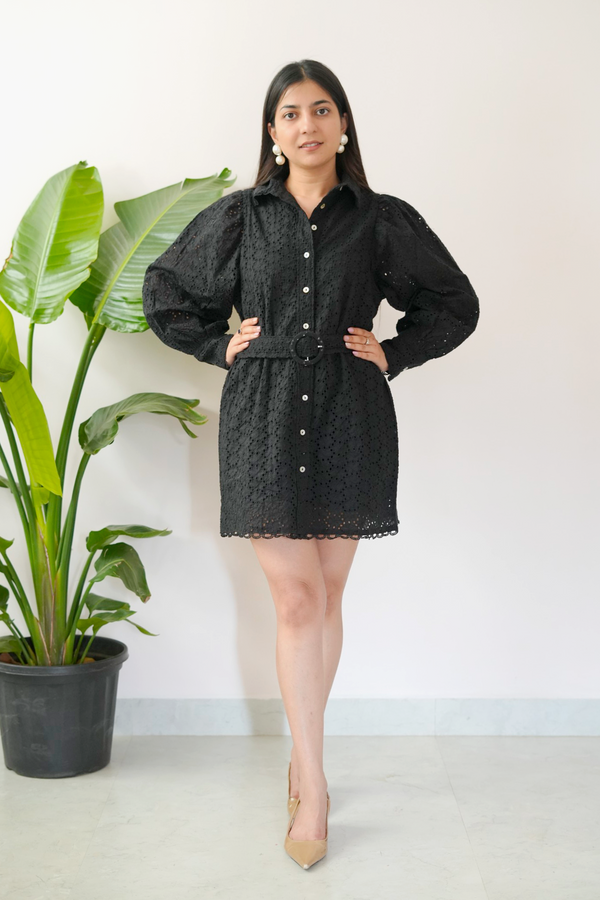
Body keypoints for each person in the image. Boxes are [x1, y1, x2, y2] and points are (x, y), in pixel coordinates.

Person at [142, 59, 480, 870]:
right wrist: (217, 345)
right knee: (296, 599)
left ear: (343, 123)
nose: (307, 125)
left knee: (326, 595)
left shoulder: (381, 220)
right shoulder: (238, 217)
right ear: (272, 132)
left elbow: (455, 302)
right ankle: (316, 784)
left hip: (349, 414)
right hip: (261, 416)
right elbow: (164, 291)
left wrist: (396, 352)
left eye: (321, 110)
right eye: (291, 113)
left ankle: (302, 758)